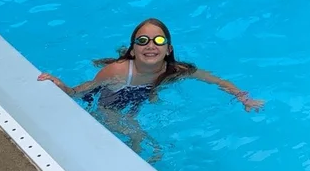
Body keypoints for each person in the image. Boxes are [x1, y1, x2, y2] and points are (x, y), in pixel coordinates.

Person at [37, 18, 265, 112]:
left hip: (144, 92)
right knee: (132, 134)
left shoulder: (177, 71)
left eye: (158, 40)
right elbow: (83, 90)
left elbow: (217, 81)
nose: (150, 45)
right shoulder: (117, 71)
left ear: (169, 49)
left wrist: (243, 98)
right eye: (142, 41)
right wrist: (64, 88)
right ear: (133, 49)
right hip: (113, 97)